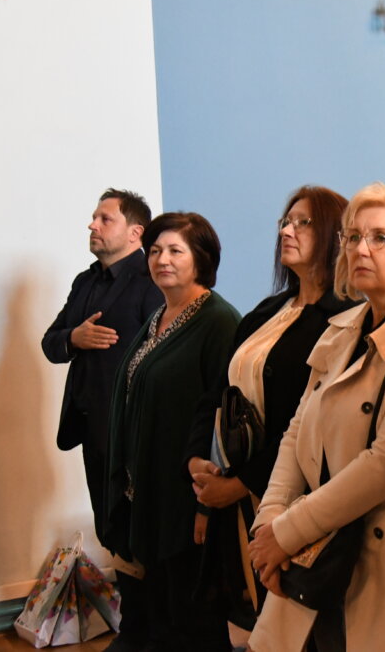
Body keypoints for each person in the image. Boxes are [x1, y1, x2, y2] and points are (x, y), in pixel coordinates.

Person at [247, 183, 385, 652]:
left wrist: (286, 532)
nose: (361, 249)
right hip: (314, 555)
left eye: (381, 238)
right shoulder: (339, 332)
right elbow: (296, 433)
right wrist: (269, 520)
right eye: (354, 236)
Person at [184, 185, 355, 630]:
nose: (287, 231)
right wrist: (197, 459)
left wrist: (242, 483)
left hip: (291, 496)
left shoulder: (346, 317)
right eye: (285, 221)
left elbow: (310, 421)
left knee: (294, 624)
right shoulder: (268, 310)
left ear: (334, 235)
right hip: (234, 491)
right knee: (252, 619)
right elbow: (217, 390)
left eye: (303, 223)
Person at [103, 212, 241, 652]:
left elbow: (223, 415)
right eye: (156, 250)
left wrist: (204, 504)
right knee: (157, 620)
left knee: (191, 626)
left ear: (201, 258)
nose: (162, 259)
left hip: (187, 499)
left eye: (175, 251)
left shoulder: (219, 321)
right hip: (148, 494)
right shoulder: (160, 315)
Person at [40, 188, 162, 652]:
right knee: (110, 528)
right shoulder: (85, 281)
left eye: (104, 219)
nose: (92, 225)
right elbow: (51, 343)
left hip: (136, 432)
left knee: (140, 531)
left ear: (135, 232)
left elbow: (161, 352)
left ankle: (152, 631)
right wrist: (76, 336)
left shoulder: (153, 280)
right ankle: (134, 629)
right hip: (94, 429)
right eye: (94, 217)